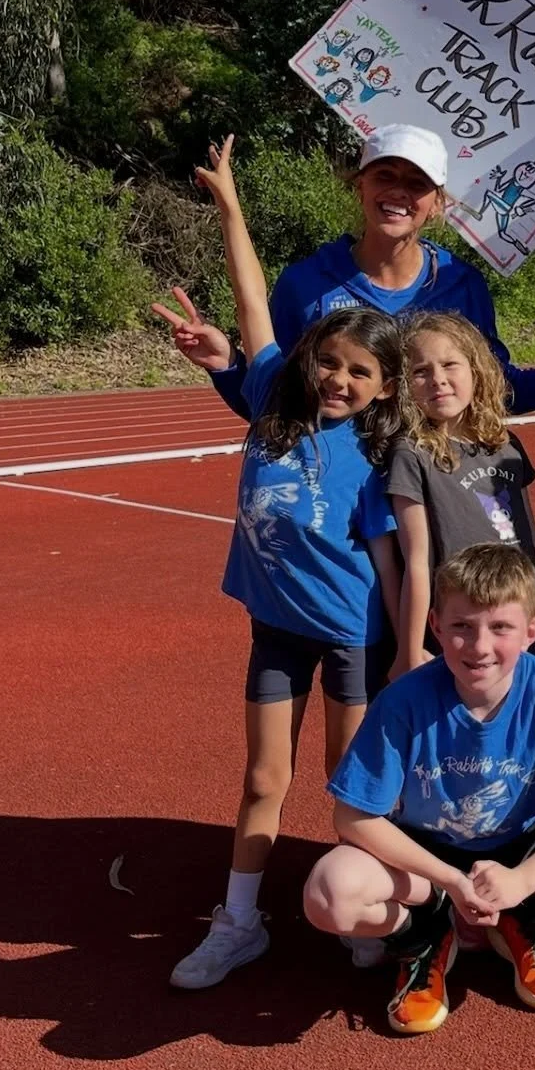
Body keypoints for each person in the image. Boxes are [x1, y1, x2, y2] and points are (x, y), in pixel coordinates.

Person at [157, 138, 405, 990]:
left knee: (350, 785)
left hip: (351, 640)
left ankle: (361, 915)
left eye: (359, 371)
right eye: (328, 360)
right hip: (276, 630)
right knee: (264, 776)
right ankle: (239, 922)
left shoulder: (381, 450)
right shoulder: (270, 395)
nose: (337, 378)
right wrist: (230, 207)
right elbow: (253, 298)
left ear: (382, 387)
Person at [303, 544, 535, 1034]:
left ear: (532, 632)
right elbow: (352, 817)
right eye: (462, 627)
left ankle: (528, 920)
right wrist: (449, 880)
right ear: (436, 627)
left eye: (500, 628)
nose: (479, 646)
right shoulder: (403, 700)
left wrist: (525, 880)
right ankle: (422, 935)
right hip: (428, 857)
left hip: (525, 846)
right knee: (328, 895)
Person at [166, 123, 535, 420]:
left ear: (438, 203)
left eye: (416, 184)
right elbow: (277, 403)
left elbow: (498, 393)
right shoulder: (305, 284)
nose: (398, 192)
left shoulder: (462, 285)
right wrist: (225, 366)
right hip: (342, 508)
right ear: (360, 185)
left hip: (429, 499)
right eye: (384, 176)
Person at [386, 309, 535, 676]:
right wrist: (409, 647)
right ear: (405, 385)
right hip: (464, 620)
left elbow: (533, 541)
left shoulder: (504, 445)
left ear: (475, 371)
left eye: (450, 364)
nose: (438, 380)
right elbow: (416, 561)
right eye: (421, 372)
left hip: (519, 611)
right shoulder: (412, 453)